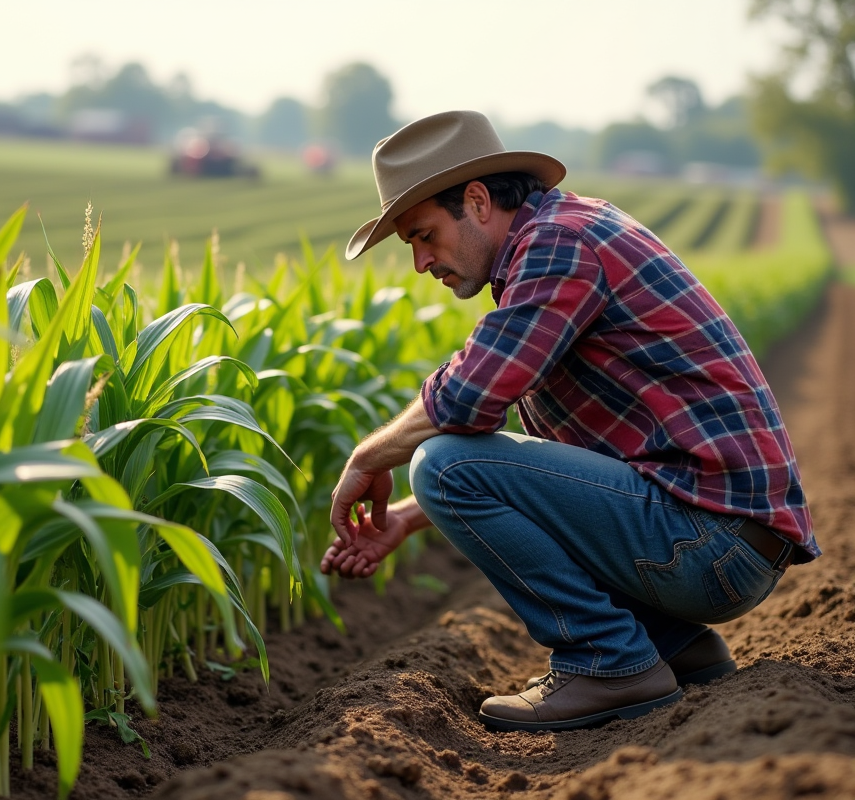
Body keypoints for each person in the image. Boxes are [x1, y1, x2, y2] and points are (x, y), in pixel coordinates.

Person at [320, 110, 819, 733]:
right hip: (723, 538)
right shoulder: (567, 231)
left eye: (424, 235)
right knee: (448, 467)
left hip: (711, 545)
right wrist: (408, 519)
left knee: (440, 463)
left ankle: (609, 661)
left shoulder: (561, 244)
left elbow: (468, 398)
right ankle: (673, 647)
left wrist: (367, 458)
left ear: (476, 201)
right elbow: (552, 465)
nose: (420, 262)